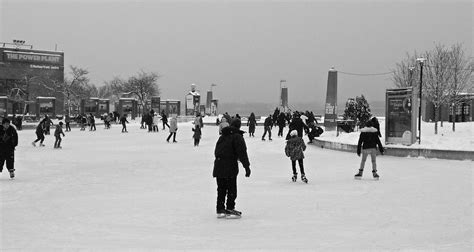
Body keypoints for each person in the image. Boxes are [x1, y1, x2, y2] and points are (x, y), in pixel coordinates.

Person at [213, 118, 251, 218]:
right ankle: (230, 208)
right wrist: (247, 167)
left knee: (221, 188)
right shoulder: (237, 137)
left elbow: (216, 151)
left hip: (219, 164)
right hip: (229, 165)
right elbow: (242, 153)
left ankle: (220, 209)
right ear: (239, 126)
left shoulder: (222, 136)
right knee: (231, 188)